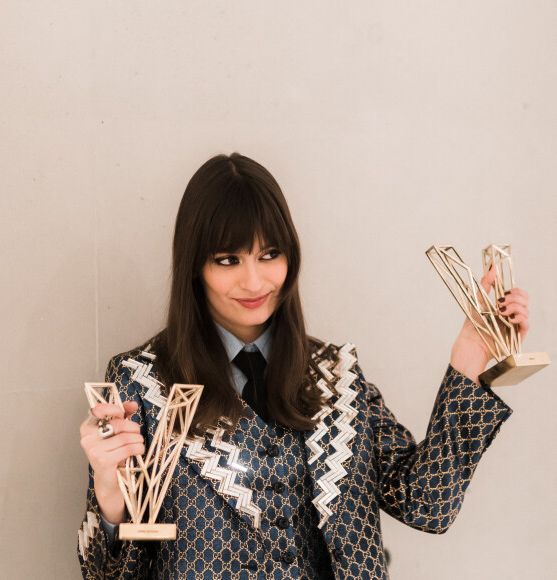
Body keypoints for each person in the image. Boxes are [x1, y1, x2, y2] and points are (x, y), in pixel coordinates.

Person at [78, 153, 530, 580]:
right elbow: (103, 574)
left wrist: (470, 355)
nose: (254, 281)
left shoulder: (337, 376)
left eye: (269, 254)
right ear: (195, 266)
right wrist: (109, 496)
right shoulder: (141, 382)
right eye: (228, 260)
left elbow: (426, 503)